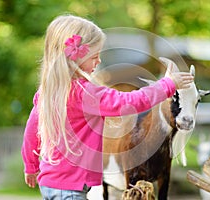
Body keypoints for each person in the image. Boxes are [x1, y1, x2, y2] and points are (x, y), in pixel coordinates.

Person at [21, 14, 194, 200]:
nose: (99, 61)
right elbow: (129, 102)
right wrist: (168, 85)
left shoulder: (48, 92)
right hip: (71, 191)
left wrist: (31, 167)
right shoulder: (86, 94)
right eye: (95, 56)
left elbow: (32, 132)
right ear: (76, 57)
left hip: (50, 184)